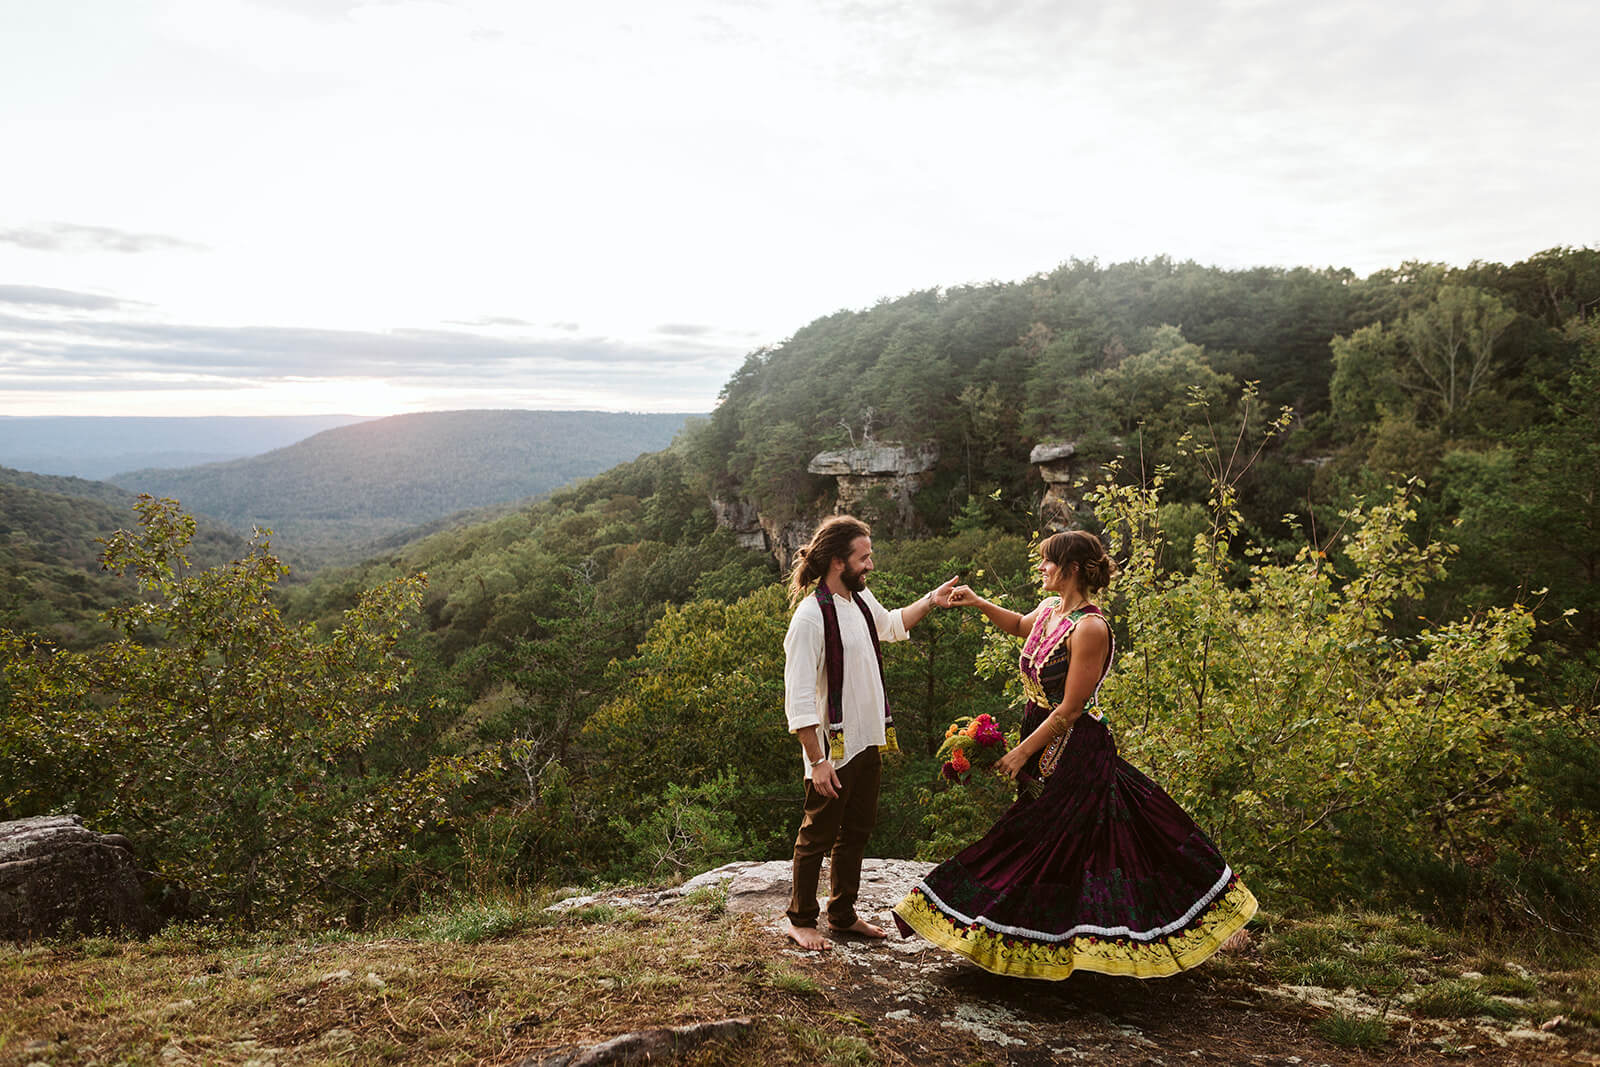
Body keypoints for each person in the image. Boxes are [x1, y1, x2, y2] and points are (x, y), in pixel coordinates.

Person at [892, 529, 1257, 979]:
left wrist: (1022, 753)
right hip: (1042, 734)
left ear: (1070, 569)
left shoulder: (1090, 628)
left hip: (1073, 746)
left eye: (1048, 562)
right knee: (1061, 841)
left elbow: (1070, 708)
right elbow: (1022, 628)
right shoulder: (1050, 610)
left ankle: (1039, 940)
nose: (1041, 568)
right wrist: (981, 604)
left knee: (1048, 839)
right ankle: (1048, 941)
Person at [782, 514, 956, 952]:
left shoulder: (858, 601)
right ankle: (801, 919)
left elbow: (892, 625)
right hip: (831, 751)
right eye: (865, 558)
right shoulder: (809, 617)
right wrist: (817, 760)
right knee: (817, 834)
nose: (871, 565)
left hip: (866, 739)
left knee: (857, 830)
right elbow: (799, 697)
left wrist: (932, 600)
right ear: (839, 561)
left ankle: (841, 914)